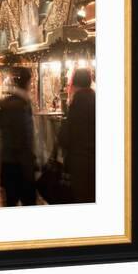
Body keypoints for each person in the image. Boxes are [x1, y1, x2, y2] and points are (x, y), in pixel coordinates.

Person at [0, 67, 36, 207]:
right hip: (20, 167)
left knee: (11, 202)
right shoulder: (20, 106)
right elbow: (23, 138)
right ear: (27, 83)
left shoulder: (10, 104)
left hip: (8, 164)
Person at [60, 68, 95, 203]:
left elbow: (65, 136)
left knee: (81, 198)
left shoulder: (77, 103)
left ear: (74, 84)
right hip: (95, 160)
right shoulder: (96, 99)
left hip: (79, 162)